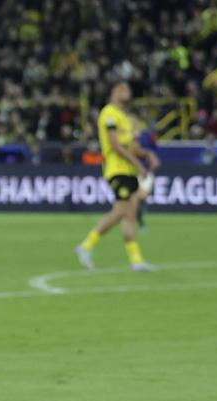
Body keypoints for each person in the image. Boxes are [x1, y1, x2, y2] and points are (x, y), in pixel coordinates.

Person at [75, 82, 159, 272]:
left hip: (129, 171)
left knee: (129, 215)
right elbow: (115, 146)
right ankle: (86, 246)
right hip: (116, 169)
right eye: (122, 88)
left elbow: (134, 148)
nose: (126, 90)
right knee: (122, 210)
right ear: (113, 92)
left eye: (128, 88)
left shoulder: (128, 119)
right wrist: (139, 164)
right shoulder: (109, 113)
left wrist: (147, 155)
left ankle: (136, 261)